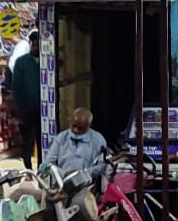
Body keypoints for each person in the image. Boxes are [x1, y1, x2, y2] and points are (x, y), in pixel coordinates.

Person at [46, 106, 108, 182]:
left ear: (88, 126)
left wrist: (81, 174)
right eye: (74, 126)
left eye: (80, 128)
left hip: (87, 184)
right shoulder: (61, 138)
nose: (76, 130)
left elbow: (102, 166)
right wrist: (64, 174)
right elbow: (48, 163)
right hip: (61, 182)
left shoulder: (98, 140)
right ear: (70, 122)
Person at [10, 30, 40, 167]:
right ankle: (27, 168)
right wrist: (19, 108)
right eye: (33, 43)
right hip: (26, 108)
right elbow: (16, 87)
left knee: (42, 139)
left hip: (43, 109)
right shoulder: (21, 63)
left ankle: (42, 166)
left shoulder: (48, 62)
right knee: (27, 140)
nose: (35, 46)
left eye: (37, 43)